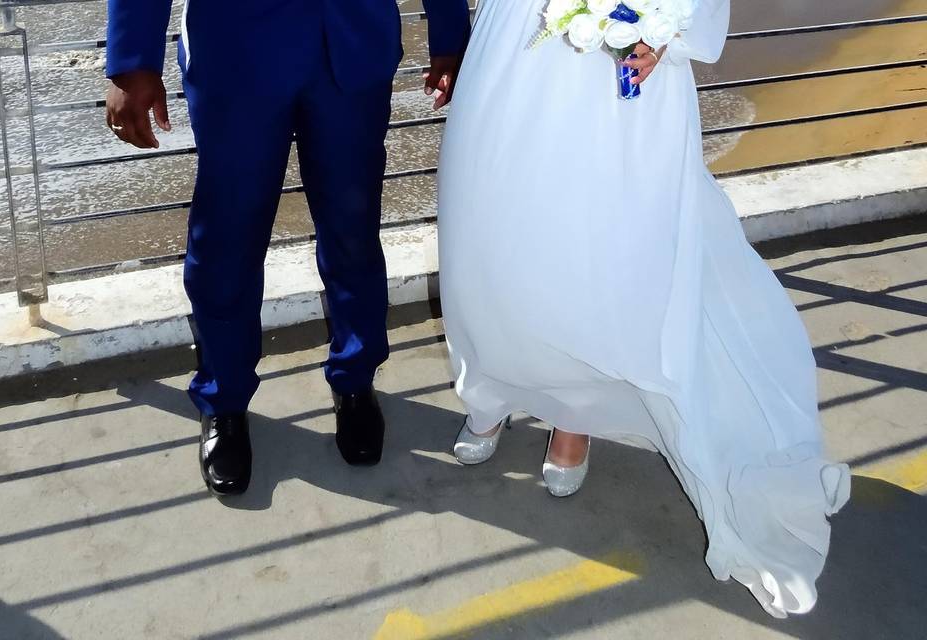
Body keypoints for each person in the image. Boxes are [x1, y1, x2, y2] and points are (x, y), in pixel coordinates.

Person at [438, 0, 850, 618]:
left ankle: (572, 412)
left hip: (617, 78)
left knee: (591, 248)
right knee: (487, 232)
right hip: (514, 43)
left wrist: (665, 29)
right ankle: (489, 388)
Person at [105, 0, 469, 495]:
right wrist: (132, 62)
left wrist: (449, 31)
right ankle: (224, 401)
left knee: (353, 231)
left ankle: (355, 380)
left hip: (353, 44)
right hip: (235, 50)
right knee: (226, 239)